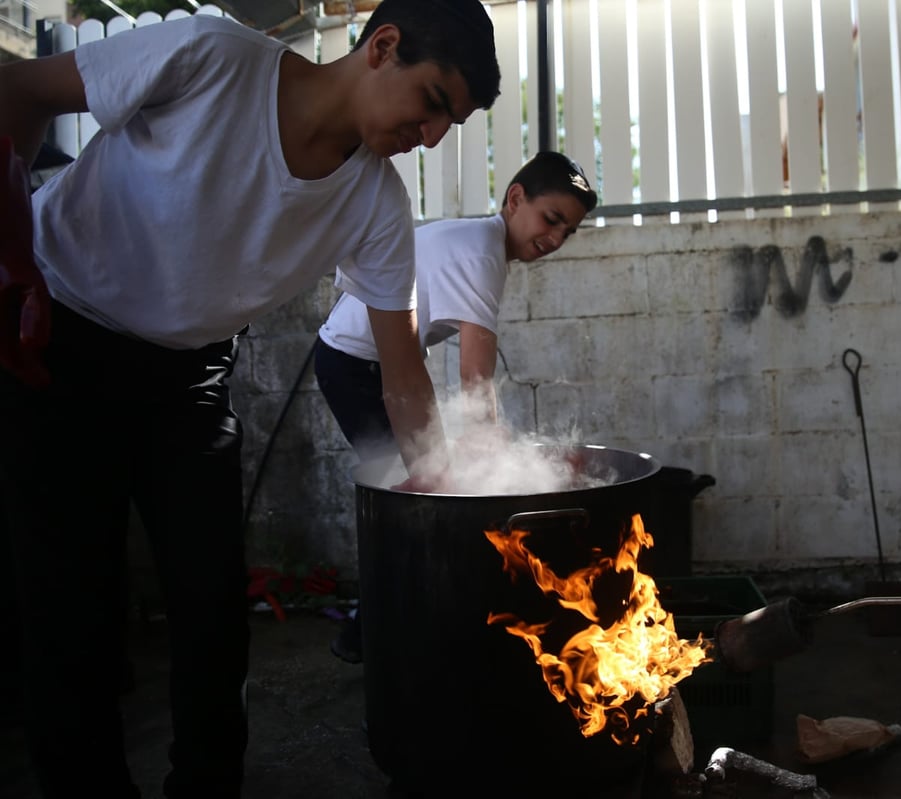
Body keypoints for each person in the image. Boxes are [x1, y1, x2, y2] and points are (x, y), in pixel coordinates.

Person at [0, 1, 500, 796]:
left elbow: (404, 378)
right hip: (62, 341)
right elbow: (18, 88)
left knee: (211, 611)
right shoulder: (213, 56)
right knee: (71, 614)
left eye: (451, 123)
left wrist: (456, 505)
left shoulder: (376, 207)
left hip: (187, 379)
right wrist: (8, 261)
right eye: (434, 101)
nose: (432, 135)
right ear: (384, 47)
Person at [314, 151, 598, 663]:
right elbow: (474, 382)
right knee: (415, 502)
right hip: (353, 366)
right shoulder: (481, 255)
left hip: (373, 363)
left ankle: (376, 629)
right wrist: (499, 465)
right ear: (515, 199)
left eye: (568, 231)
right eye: (551, 219)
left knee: (423, 497)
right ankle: (368, 637)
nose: (555, 239)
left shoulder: (480, 243)